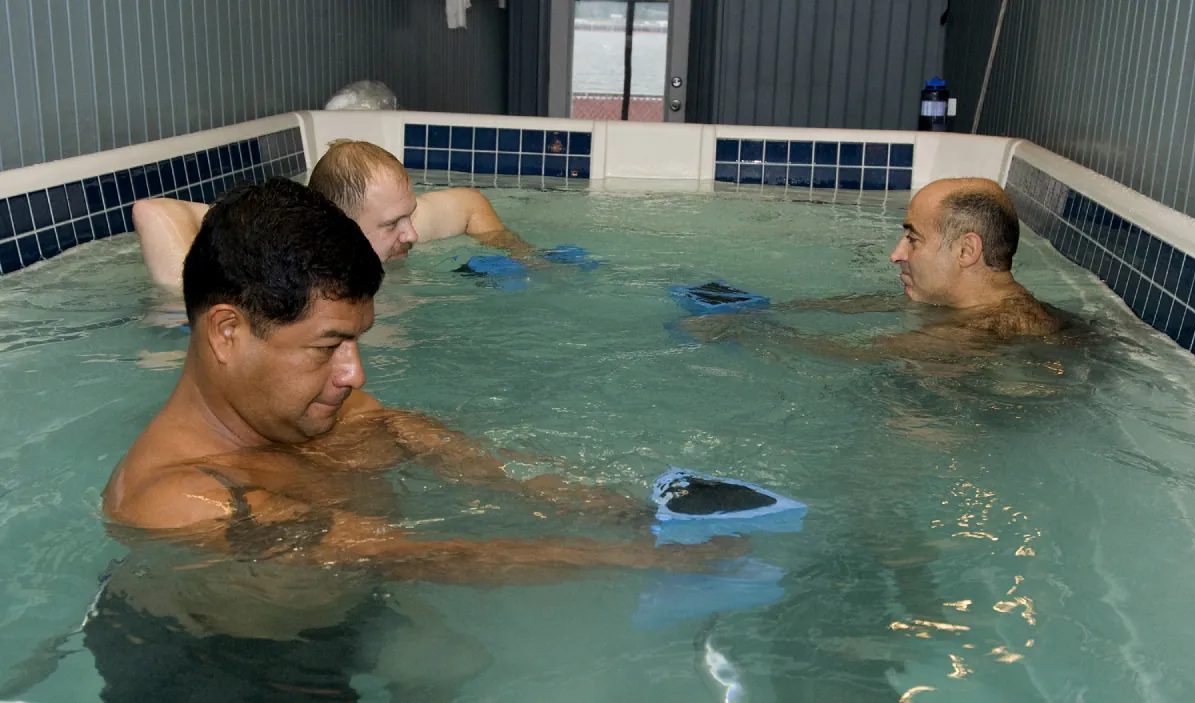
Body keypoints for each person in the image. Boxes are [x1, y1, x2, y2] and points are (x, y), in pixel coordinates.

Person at [92, 179, 731, 702]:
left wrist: (615, 508)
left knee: (453, 660)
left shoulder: (302, 412)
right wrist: (641, 559)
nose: (353, 373)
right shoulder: (179, 499)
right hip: (222, 667)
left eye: (356, 341)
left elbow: (413, 435)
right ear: (227, 332)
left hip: (344, 612)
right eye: (327, 347)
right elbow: (416, 555)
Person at [685, 178, 1062, 363]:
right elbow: (876, 305)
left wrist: (749, 331)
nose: (896, 254)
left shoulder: (989, 329)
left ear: (966, 250)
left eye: (912, 239)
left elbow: (856, 354)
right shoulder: (972, 306)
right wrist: (771, 310)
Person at [132, 139, 536, 289]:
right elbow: (153, 210)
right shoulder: (288, 247)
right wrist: (187, 290)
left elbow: (469, 203)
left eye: (407, 216)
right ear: (336, 223)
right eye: (391, 224)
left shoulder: (402, 230)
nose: (411, 234)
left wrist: (516, 252)